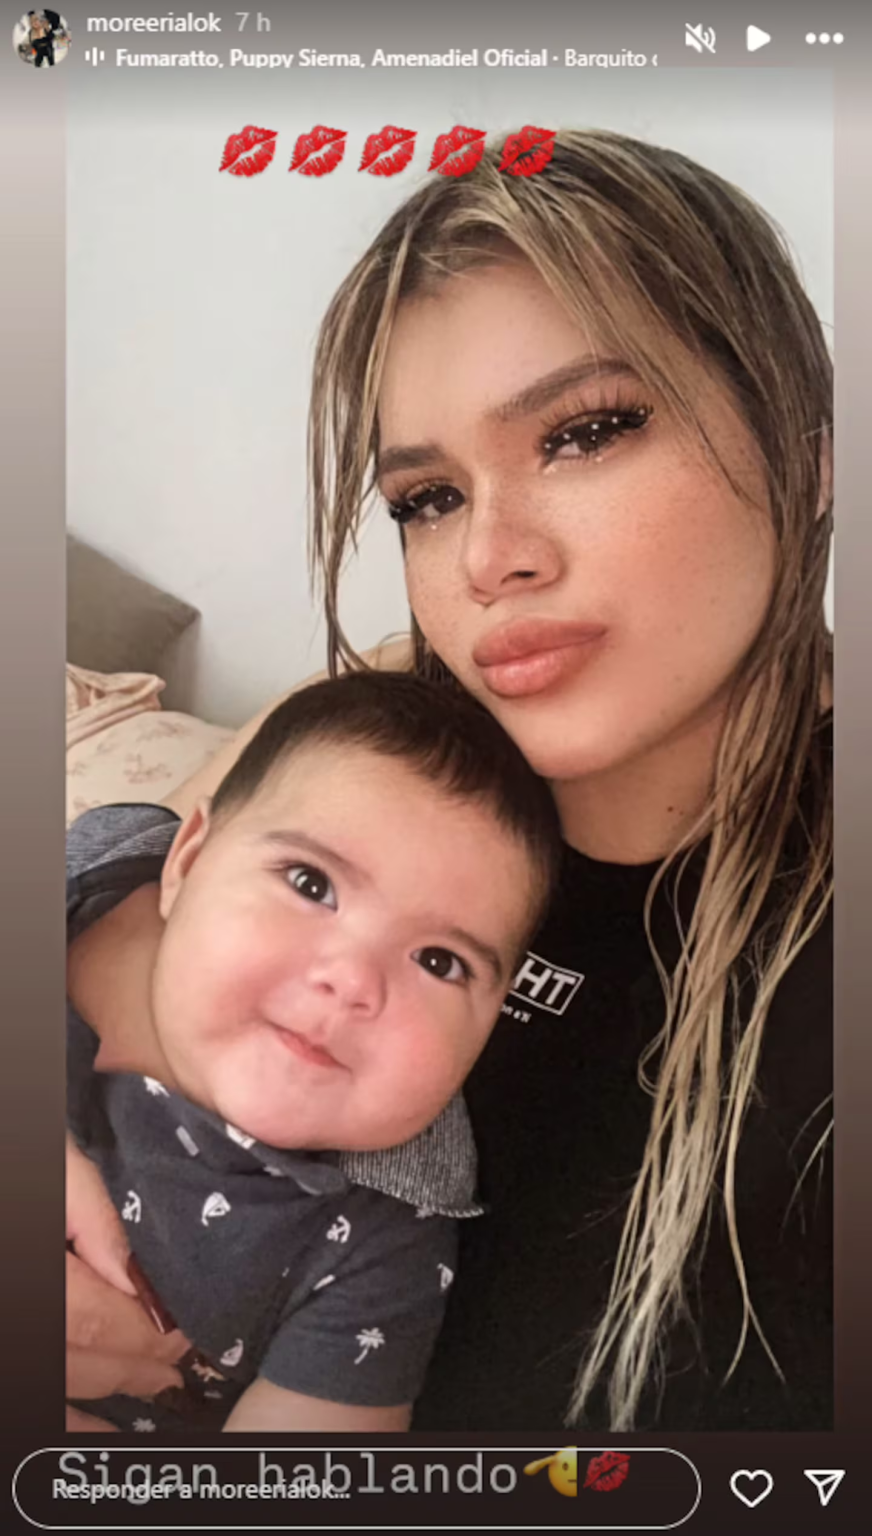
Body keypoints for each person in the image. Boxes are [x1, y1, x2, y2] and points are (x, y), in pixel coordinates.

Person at [66, 128, 833, 1433]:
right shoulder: (357, 754)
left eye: (587, 432)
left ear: (806, 460)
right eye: (426, 497)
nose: (488, 557)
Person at [66, 671, 561, 1433]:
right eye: (310, 883)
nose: (353, 982)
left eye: (438, 961)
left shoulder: (380, 1245)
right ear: (187, 861)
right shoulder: (76, 901)